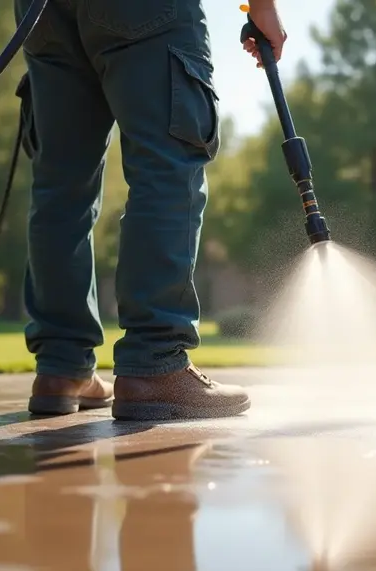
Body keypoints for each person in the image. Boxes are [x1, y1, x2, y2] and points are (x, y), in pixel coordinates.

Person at [15, 0, 287, 420]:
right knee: (168, 162)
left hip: (43, 12)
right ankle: (156, 365)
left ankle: (61, 368)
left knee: (60, 186)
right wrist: (264, 6)